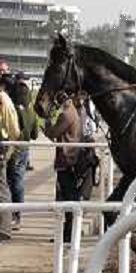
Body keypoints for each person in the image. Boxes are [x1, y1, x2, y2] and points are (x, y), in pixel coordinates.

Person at [42, 92, 82, 243]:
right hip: (71, 159)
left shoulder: (66, 114)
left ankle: (68, 234)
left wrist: (47, 121)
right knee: (68, 197)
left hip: (65, 160)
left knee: (67, 198)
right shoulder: (73, 111)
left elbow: (52, 133)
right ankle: (67, 233)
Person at [6, 72, 38, 230]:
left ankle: (11, 213)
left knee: (10, 181)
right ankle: (17, 215)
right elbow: (35, 134)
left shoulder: (14, 109)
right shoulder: (31, 111)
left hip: (14, 147)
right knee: (18, 181)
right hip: (25, 147)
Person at [0, 82, 20, 242]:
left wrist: (9, 152)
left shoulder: (3, 99)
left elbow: (14, 129)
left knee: (1, 188)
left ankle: (4, 228)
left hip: (1, 146)